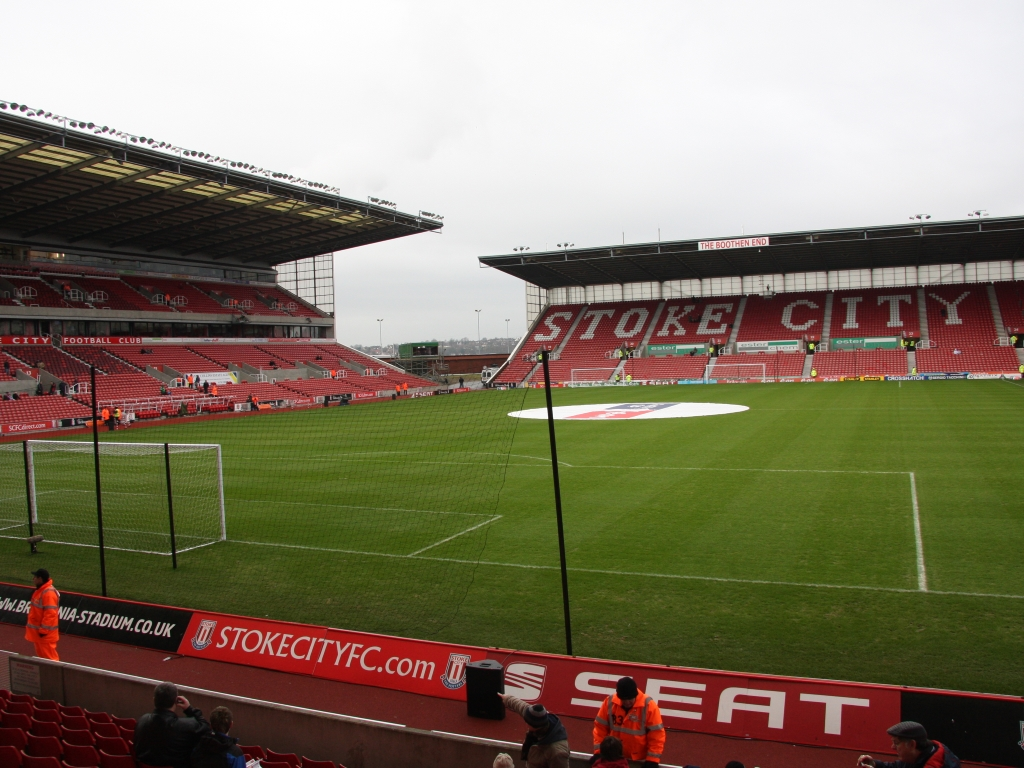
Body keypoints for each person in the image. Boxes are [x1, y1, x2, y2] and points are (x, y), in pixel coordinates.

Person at [135, 682, 211, 768]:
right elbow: (206, 728)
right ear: (176, 701)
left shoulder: (142, 720)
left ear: (154, 700)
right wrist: (189, 709)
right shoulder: (185, 726)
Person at [592, 677, 665, 767]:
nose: (627, 702)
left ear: (635, 695)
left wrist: (652, 760)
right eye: (623, 699)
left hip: (639, 759)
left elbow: (656, 735)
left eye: (630, 699)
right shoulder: (610, 702)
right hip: (615, 758)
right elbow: (600, 729)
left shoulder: (649, 706)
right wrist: (599, 752)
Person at [498, 692, 570, 768]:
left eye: (527, 722)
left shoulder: (556, 753)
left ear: (532, 725)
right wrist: (507, 698)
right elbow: (522, 707)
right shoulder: (540, 718)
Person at [857, 721, 960, 767]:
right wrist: (876, 765)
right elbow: (901, 766)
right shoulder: (926, 752)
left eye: (896, 743)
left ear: (911, 744)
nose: (892, 747)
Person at [25, 568, 59, 661]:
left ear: (40, 579)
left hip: (45, 635)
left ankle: (55, 675)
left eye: (35, 577)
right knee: (43, 659)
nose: (33, 579)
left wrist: (43, 631)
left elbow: (50, 613)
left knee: (50, 659)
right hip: (39, 634)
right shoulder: (41, 590)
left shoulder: (48, 593)